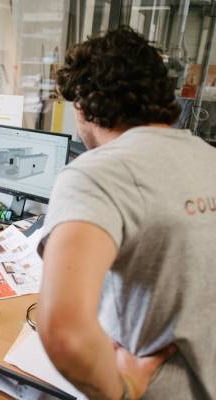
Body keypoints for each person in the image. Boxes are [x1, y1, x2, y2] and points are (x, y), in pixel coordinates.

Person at [36, 26, 215, 399]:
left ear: (83, 106)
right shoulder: (209, 159)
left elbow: (64, 332)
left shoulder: (97, 172)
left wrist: (121, 390)